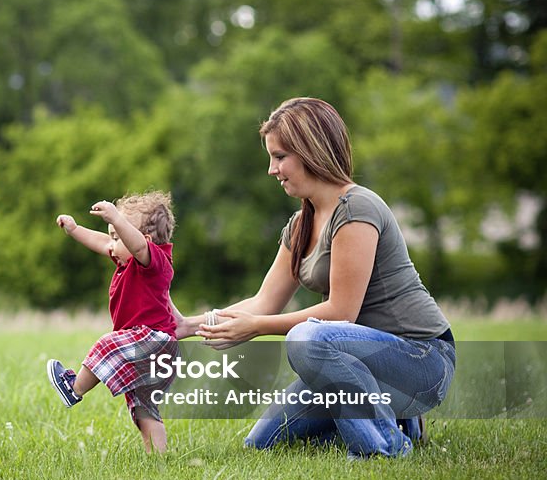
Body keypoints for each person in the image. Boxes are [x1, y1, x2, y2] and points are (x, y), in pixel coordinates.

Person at [181, 97, 455, 459]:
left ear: (310, 150)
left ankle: (386, 447)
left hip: (420, 360)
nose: (271, 169)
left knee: (307, 338)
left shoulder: (357, 208)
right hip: (355, 367)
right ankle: (399, 421)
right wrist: (187, 326)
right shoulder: (300, 225)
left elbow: (341, 313)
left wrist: (258, 326)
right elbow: (263, 303)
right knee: (263, 444)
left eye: (279, 157)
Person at [46, 192, 179, 453]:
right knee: (143, 408)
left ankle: (73, 388)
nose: (111, 244)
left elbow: (138, 246)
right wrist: (75, 230)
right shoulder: (128, 260)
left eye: (118, 236)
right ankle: (158, 456)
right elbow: (102, 242)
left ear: (146, 240)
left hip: (152, 341)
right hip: (154, 348)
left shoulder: (155, 262)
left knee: (107, 344)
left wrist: (117, 218)